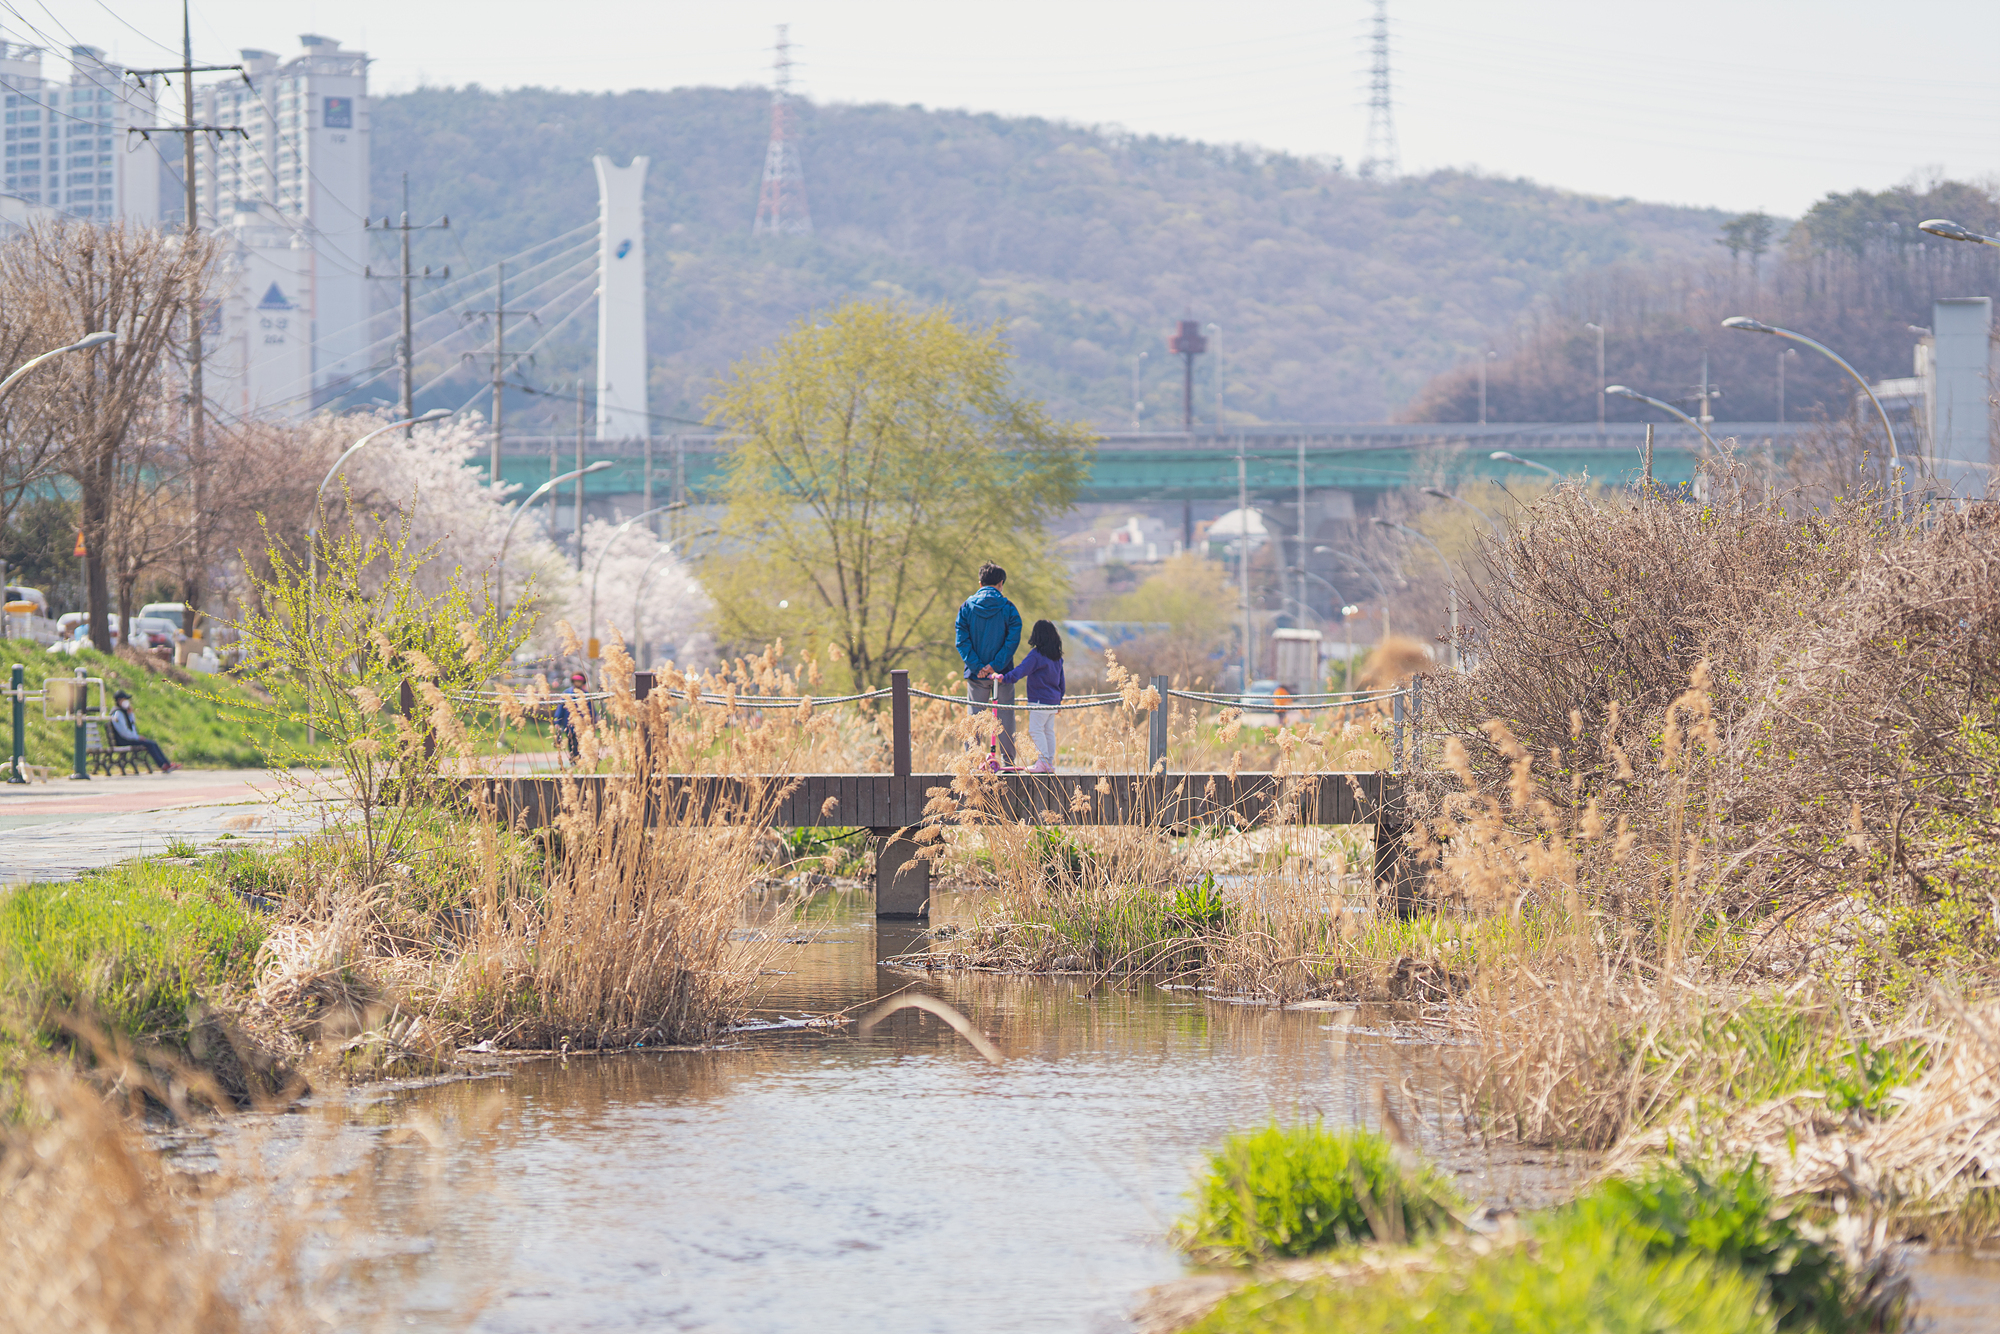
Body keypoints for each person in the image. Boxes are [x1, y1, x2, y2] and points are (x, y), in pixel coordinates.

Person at [954, 562, 1021, 761]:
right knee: (1005, 716)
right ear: (1001, 583)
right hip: (1002, 673)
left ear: (980, 582)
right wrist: (995, 665)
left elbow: (961, 640)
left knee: (974, 717)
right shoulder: (1008, 608)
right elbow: (1013, 639)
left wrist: (978, 666)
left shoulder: (966, 607)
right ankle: (1008, 763)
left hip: (977, 675)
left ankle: (974, 761)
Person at [1000, 620, 1065, 773]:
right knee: (1048, 731)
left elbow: (1021, 670)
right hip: (1053, 701)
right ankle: (1048, 762)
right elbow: (1062, 681)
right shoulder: (1057, 657)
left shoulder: (1037, 655)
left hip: (1039, 701)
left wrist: (1004, 678)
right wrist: (1059, 700)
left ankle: (1042, 761)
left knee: (1036, 730)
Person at [107, 690, 179, 772]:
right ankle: (163, 765)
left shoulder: (124, 712)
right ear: (119, 700)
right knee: (150, 744)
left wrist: (131, 714)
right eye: (125, 699)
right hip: (123, 741)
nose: (127, 701)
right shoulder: (118, 714)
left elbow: (132, 727)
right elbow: (124, 732)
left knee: (152, 743)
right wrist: (137, 737)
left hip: (128, 739)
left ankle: (167, 764)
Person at [552, 671, 595, 764]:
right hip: (570, 726)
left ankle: (583, 764)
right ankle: (574, 763)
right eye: (575, 681)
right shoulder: (567, 693)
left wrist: (592, 722)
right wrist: (557, 722)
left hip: (584, 727)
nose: (577, 683)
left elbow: (591, 711)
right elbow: (560, 709)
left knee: (583, 746)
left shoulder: (586, 694)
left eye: (579, 681)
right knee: (572, 746)